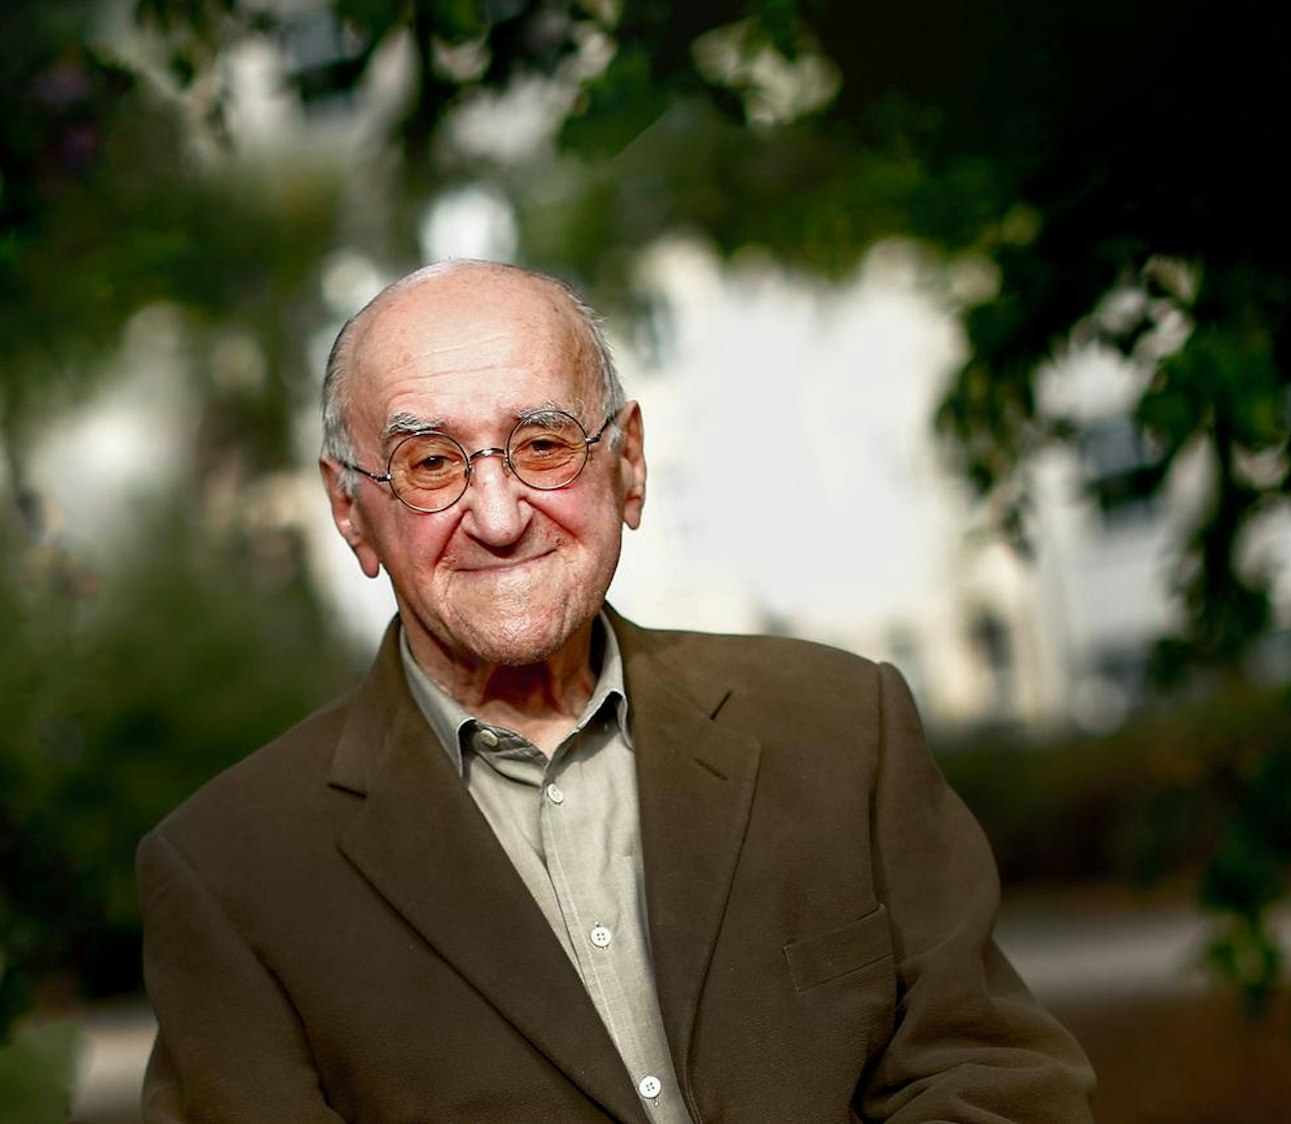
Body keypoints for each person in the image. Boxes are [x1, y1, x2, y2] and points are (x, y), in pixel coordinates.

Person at [137, 260, 1095, 1122]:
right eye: (430, 464)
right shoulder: (232, 874)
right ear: (351, 510)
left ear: (627, 464)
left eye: (543, 445)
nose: (501, 516)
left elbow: (995, 1078)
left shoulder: (844, 729)